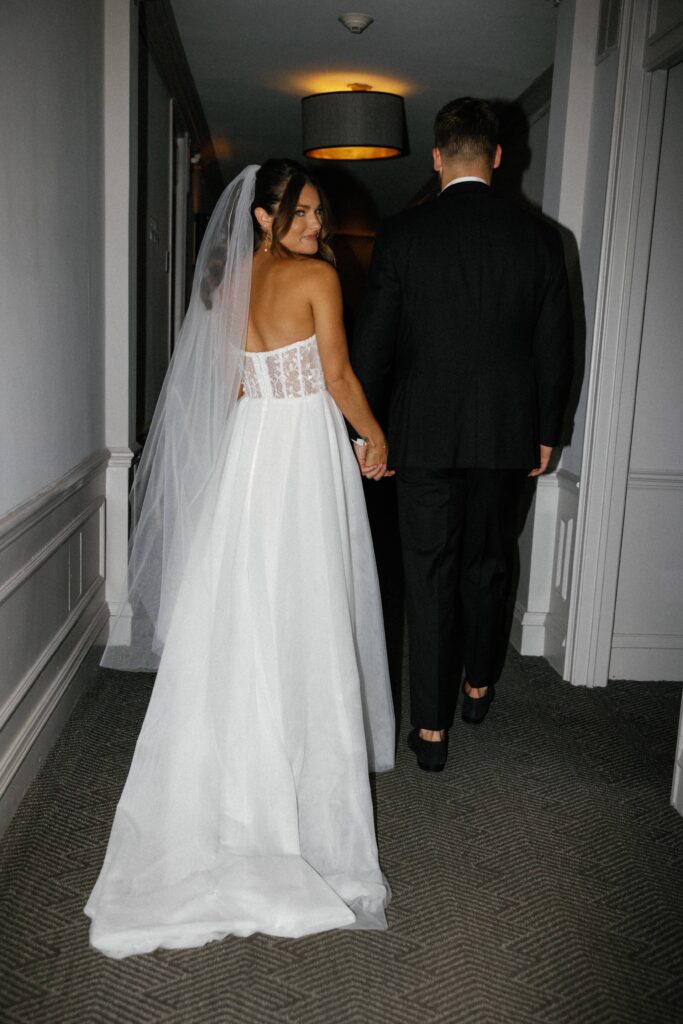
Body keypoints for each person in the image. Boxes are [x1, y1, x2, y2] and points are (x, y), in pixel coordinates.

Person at [85, 160, 395, 958]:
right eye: (299, 213)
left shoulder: (229, 286)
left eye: (318, 215)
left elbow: (221, 387)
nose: (314, 226)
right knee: (305, 608)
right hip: (299, 452)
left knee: (245, 613)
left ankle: (234, 795)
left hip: (250, 452)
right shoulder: (316, 279)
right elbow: (335, 376)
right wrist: (374, 435)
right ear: (261, 216)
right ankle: (294, 801)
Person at [351, 98, 573, 772]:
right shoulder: (540, 238)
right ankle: (478, 683)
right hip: (506, 435)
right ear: (498, 157)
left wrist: (366, 432)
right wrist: (546, 430)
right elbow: (556, 345)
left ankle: (430, 731)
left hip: (419, 435)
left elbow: (372, 347)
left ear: (438, 157)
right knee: (488, 561)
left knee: (427, 575)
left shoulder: (402, 234)